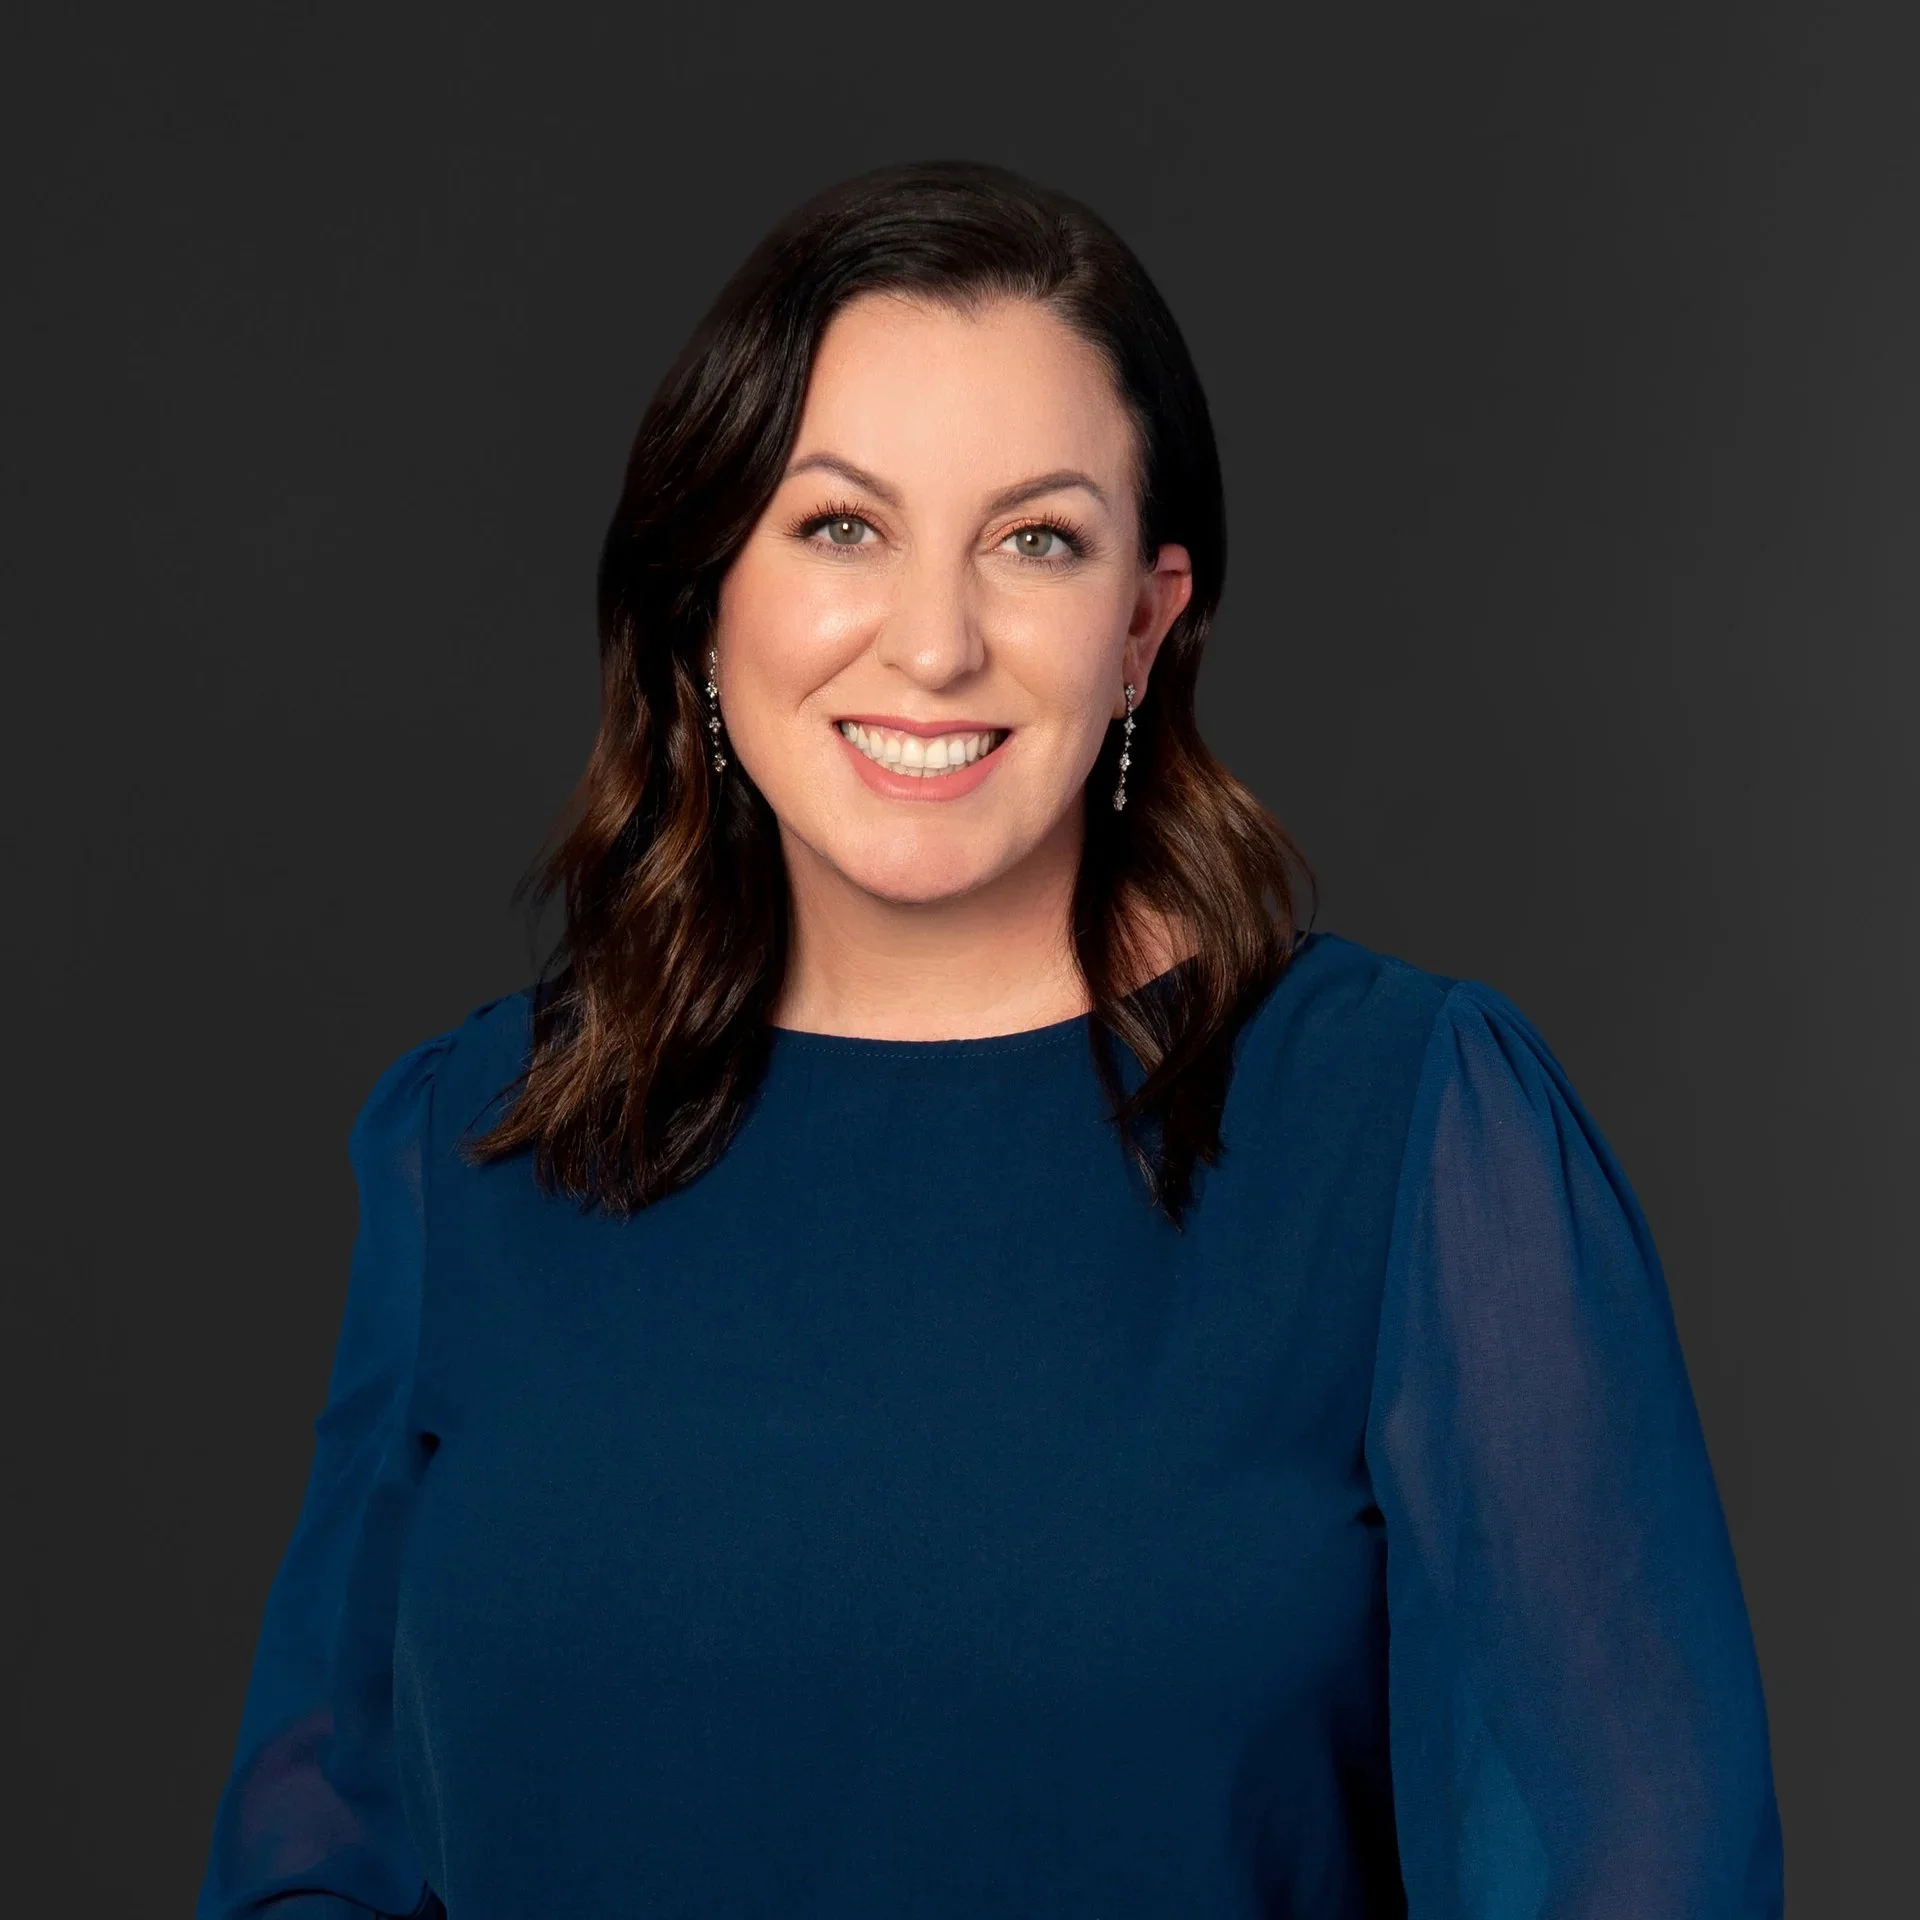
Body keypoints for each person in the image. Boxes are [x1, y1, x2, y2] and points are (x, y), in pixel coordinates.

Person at [197, 160, 1784, 1919]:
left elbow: (1640, 1869)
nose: (936, 643)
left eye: (1036, 540)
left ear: (1144, 628)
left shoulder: (1411, 1133)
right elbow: (314, 1859)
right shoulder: (473, 1145)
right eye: (839, 527)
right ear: (705, 601)